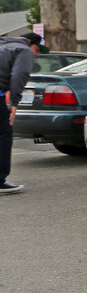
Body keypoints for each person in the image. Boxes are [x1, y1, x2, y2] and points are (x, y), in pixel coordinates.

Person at [0, 31, 41, 195]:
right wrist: (14, 102)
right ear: (29, 42)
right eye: (37, 50)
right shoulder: (23, 50)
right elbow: (20, 74)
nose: (36, 55)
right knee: (3, 134)